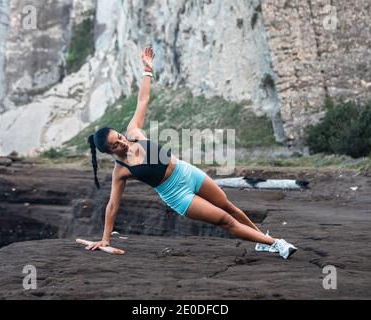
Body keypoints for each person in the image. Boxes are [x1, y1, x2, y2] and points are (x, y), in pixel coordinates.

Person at [86, 46, 297, 259]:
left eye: (119, 137)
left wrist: (147, 69)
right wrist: (105, 239)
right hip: (177, 195)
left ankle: (262, 241)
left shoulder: (134, 132)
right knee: (225, 220)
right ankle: (277, 243)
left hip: (186, 172)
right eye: (115, 145)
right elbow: (113, 205)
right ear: (108, 152)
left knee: (228, 206)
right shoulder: (120, 171)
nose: (122, 142)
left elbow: (143, 100)